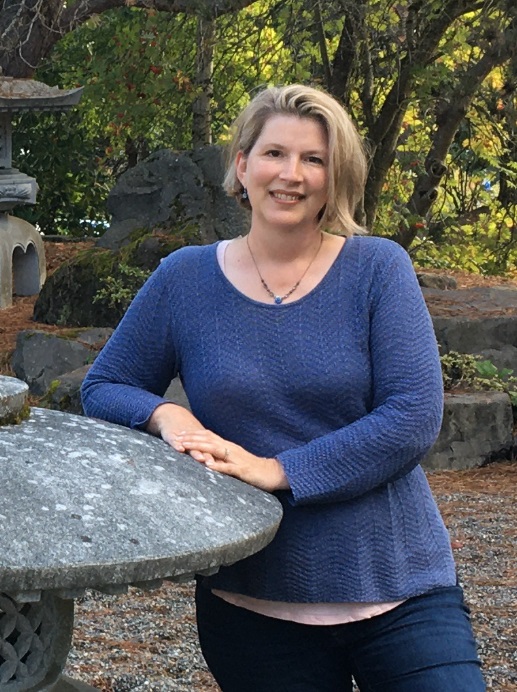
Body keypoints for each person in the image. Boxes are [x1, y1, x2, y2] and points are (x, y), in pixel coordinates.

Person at [81, 84, 486, 691]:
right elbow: (106, 384)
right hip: (252, 602)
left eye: (313, 159)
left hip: (398, 588)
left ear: (335, 176)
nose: (290, 174)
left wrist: (279, 469)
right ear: (242, 165)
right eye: (274, 154)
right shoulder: (184, 278)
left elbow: (413, 416)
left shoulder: (378, 269)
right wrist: (168, 416)